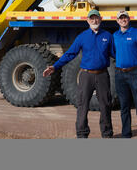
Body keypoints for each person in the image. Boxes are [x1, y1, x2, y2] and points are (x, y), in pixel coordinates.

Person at [43, 9, 114, 138]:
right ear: (87, 21)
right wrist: (55, 66)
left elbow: (116, 55)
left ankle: (107, 134)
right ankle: (82, 134)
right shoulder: (82, 37)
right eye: (91, 18)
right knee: (82, 105)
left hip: (102, 75)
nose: (94, 21)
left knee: (105, 105)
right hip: (86, 76)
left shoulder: (108, 36)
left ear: (101, 19)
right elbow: (70, 53)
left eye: (96, 18)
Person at [113, 10, 137, 138]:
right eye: (121, 18)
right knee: (124, 107)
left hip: (135, 74)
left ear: (129, 19)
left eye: (125, 18)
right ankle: (126, 134)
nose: (123, 20)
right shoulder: (115, 36)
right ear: (117, 21)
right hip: (120, 74)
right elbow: (113, 52)